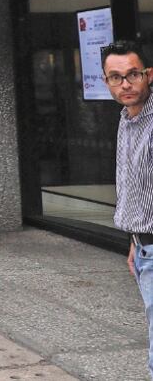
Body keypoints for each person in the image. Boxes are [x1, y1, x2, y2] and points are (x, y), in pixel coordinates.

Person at [100, 41, 153, 378]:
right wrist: (135, 239)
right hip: (144, 244)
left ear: (148, 75)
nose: (125, 84)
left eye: (132, 74)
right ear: (106, 82)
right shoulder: (127, 119)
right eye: (115, 77)